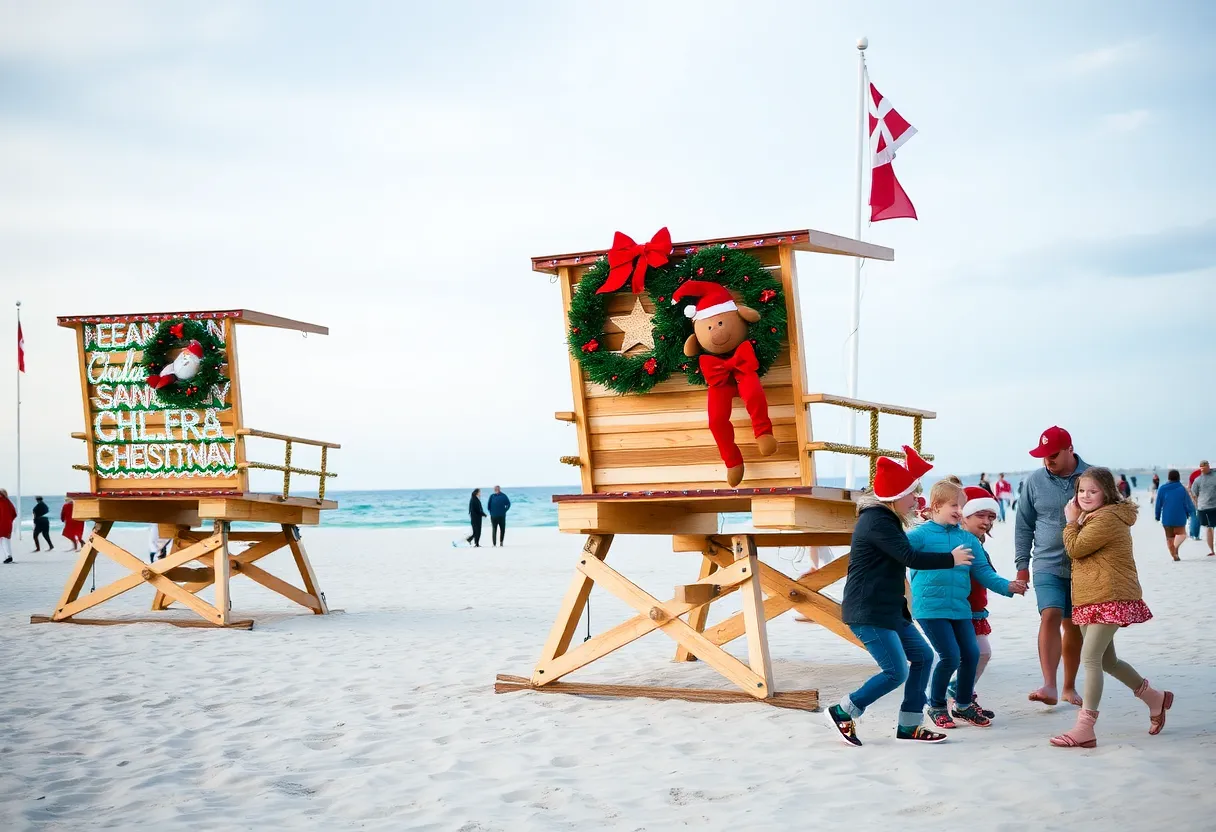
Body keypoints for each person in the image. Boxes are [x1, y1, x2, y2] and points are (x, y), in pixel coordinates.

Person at [823, 446, 972, 747]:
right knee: (895, 671)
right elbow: (909, 556)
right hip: (869, 612)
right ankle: (843, 711)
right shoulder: (876, 520)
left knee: (923, 657)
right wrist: (949, 558)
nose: (917, 499)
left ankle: (909, 726)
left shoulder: (886, 519)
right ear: (894, 496)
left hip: (891, 610)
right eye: (912, 494)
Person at [1050, 467, 1172, 747]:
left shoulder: (1107, 518)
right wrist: (1077, 520)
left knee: (1090, 658)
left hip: (1110, 596)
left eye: (1092, 491)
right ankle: (1155, 698)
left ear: (1107, 492)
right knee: (1107, 661)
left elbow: (1075, 549)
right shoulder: (1090, 517)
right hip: (1090, 597)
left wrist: (1070, 522)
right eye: (1081, 491)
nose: (1085, 496)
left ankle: (1085, 728)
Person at [909, 480, 1025, 729]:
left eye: (962, 507)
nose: (960, 512)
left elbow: (983, 572)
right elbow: (900, 556)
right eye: (955, 506)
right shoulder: (919, 535)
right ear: (937, 506)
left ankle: (962, 705)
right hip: (930, 608)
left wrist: (1008, 586)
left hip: (959, 608)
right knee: (950, 656)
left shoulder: (968, 540)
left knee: (971, 654)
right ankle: (937, 706)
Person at [1015, 425, 1090, 708]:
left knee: (1073, 625)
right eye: (1044, 455)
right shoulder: (1034, 481)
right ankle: (1049, 684)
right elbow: (1023, 524)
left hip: (1083, 565)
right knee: (1050, 615)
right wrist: (1022, 565)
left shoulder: (1091, 477)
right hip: (1045, 562)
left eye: (1054, 454)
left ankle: (1069, 687)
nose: (1048, 460)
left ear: (1070, 449)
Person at [947, 486, 1007, 719]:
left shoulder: (977, 540)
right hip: (961, 608)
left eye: (991, 516)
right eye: (980, 515)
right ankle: (957, 697)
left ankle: (963, 695)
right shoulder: (959, 540)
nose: (987, 521)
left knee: (980, 653)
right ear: (965, 514)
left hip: (976, 608)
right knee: (975, 653)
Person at [1154, 470, 1194, 562]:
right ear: (1178, 477)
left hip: (1167, 518)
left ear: (1168, 477)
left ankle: (1174, 554)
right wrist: (1190, 513)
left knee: (1170, 538)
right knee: (1182, 535)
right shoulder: (1182, 488)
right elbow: (1187, 503)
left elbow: (1158, 504)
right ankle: (1175, 551)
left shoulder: (1162, 489)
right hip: (1180, 517)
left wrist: (1157, 515)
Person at [1191, 460, 1216, 557]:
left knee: (1210, 527)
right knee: (1209, 528)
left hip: (1214, 506)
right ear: (1200, 468)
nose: (1204, 468)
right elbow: (1194, 494)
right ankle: (1212, 550)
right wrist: (1197, 504)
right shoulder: (1198, 480)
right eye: (1202, 467)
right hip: (1203, 507)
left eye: (1206, 466)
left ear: (1209, 466)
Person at [0, 488, 17, 564]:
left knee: (3, 540)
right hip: (8, 524)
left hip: (2, 524)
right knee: (6, 540)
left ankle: (8, 556)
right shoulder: (8, 502)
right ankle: (9, 556)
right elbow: (14, 513)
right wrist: (9, 520)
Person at [1188, 468, 1203, 540]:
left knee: (1194, 515)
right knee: (1196, 516)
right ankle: (1195, 535)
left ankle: (1192, 534)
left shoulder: (1194, 474)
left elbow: (1189, 488)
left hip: (1194, 497)